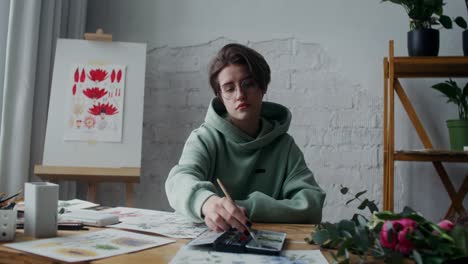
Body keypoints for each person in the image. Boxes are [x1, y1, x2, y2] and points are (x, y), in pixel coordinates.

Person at [165, 43, 325, 234]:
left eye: (248, 84)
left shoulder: (284, 146)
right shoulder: (204, 138)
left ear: (262, 88)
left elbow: (311, 204)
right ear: (220, 96)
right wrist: (207, 202)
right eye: (229, 88)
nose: (240, 95)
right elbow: (179, 181)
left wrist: (245, 208)